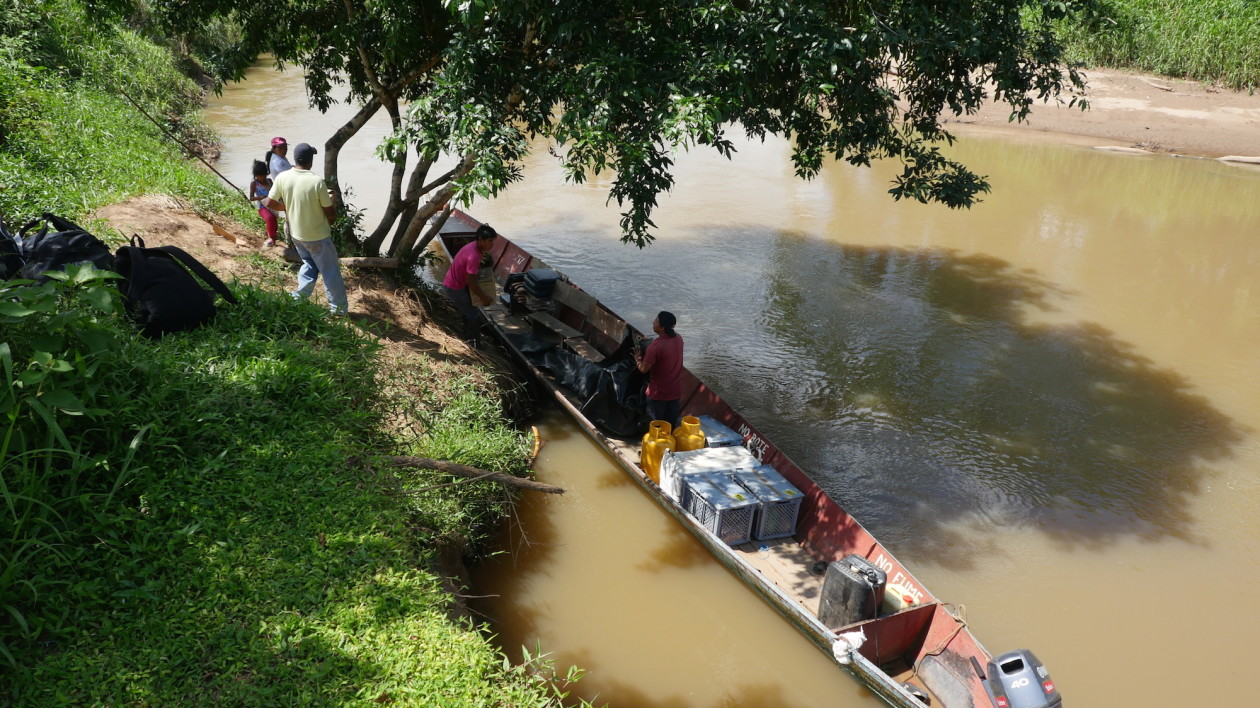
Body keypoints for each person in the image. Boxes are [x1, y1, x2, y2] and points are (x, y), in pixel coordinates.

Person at [263, 142, 348, 315]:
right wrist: (331, 221)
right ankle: (338, 310)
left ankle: (297, 298)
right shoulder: (316, 181)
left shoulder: (282, 177)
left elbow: (269, 203)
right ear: (310, 161)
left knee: (309, 265)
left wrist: (286, 208)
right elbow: (330, 212)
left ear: (295, 159)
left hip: (297, 235)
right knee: (330, 272)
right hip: (318, 236)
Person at [442, 224, 497, 348]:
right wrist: (483, 297)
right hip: (455, 288)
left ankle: (468, 336)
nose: (492, 244)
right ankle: (477, 344)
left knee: (468, 310)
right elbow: (472, 282)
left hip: (454, 283)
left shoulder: (472, 246)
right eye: (490, 241)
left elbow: (470, 277)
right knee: (473, 314)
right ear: (481, 240)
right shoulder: (474, 256)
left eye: (493, 241)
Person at [634, 311, 684, 428]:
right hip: (675, 392)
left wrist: (638, 359)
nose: (653, 323)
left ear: (662, 328)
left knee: (655, 427)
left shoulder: (655, 346)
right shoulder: (679, 339)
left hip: (658, 394)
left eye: (656, 321)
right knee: (669, 427)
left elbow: (643, 369)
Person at [248, 160, 279, 246]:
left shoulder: (269, 181)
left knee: (274, 220)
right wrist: (260, 197)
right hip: (262, 207)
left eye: (264, 175)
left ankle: (272, 235)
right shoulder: (254, 183)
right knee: (269, 218)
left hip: (272, 205)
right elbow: (251, 198)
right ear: (256, 176)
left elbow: (275, 192)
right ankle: (271, 238)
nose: (262, 178)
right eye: (260, 176)